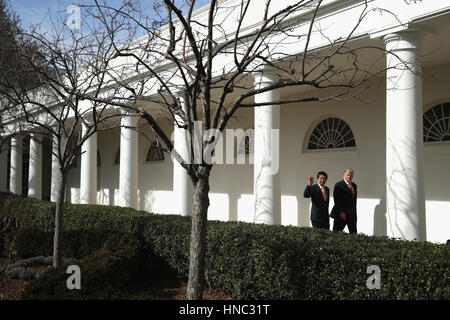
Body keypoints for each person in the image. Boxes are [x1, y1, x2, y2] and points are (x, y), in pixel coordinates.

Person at [331, 168, 357, 233]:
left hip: (352, 215)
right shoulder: (338, 185)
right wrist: (341, 212)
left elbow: (353, 200)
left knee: (354, 234)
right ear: (344, 175)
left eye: (351, 175)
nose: (349, 176)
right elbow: (337, 200)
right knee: (336, 234)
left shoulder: (354, 185)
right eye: (348, 175)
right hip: (342, 215)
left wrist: (354, 213)